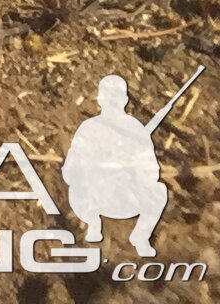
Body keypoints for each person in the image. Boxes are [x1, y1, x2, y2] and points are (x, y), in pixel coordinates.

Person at [64, 76, 170, 256]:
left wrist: (132, 168)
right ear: (100, 100)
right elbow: (71, 170)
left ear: (124, 100)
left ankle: (140, 237)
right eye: (108, 97)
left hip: (124, 197)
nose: (113, 102)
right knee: (77, 190)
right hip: (94, 197)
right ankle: (92, 223)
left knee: (159, 191)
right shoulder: (89, 128)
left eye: (116, 97)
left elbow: (151, 171)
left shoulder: (135, 129)